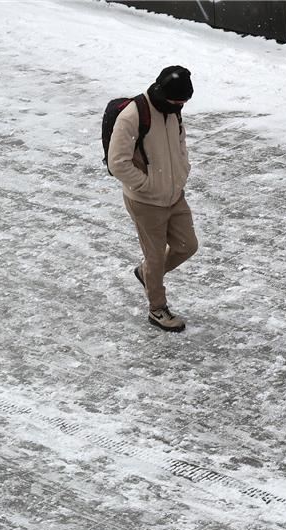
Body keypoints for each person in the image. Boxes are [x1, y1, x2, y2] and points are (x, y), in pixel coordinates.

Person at [108, 66, 198, 332]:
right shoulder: (133, 116)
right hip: (146, 201)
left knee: (187, 245)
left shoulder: (173, 109)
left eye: (183, 102)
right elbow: (117, 163)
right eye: (177, 102)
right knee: (156, 257)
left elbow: (180, 143)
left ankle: (145, 273)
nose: (180, 107)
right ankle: (157, 310)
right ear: (162, 92)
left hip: (174, 194)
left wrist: (182, 171)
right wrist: (146, 186)